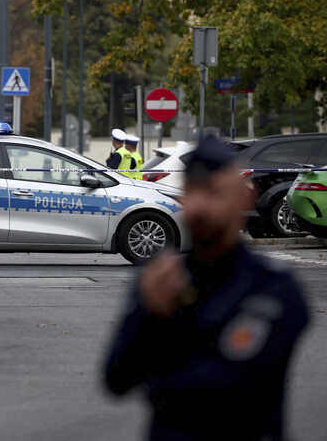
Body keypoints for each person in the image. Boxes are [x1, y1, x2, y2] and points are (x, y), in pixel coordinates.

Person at [102, 135, 310, 441]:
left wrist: (166, 321)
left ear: (243, 199)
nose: (200, 205)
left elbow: (228, 385)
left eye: (213, 193)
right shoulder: (162, 277)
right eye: (193, 192)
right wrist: (147, 314)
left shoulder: (273, 285)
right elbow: (116, 379)